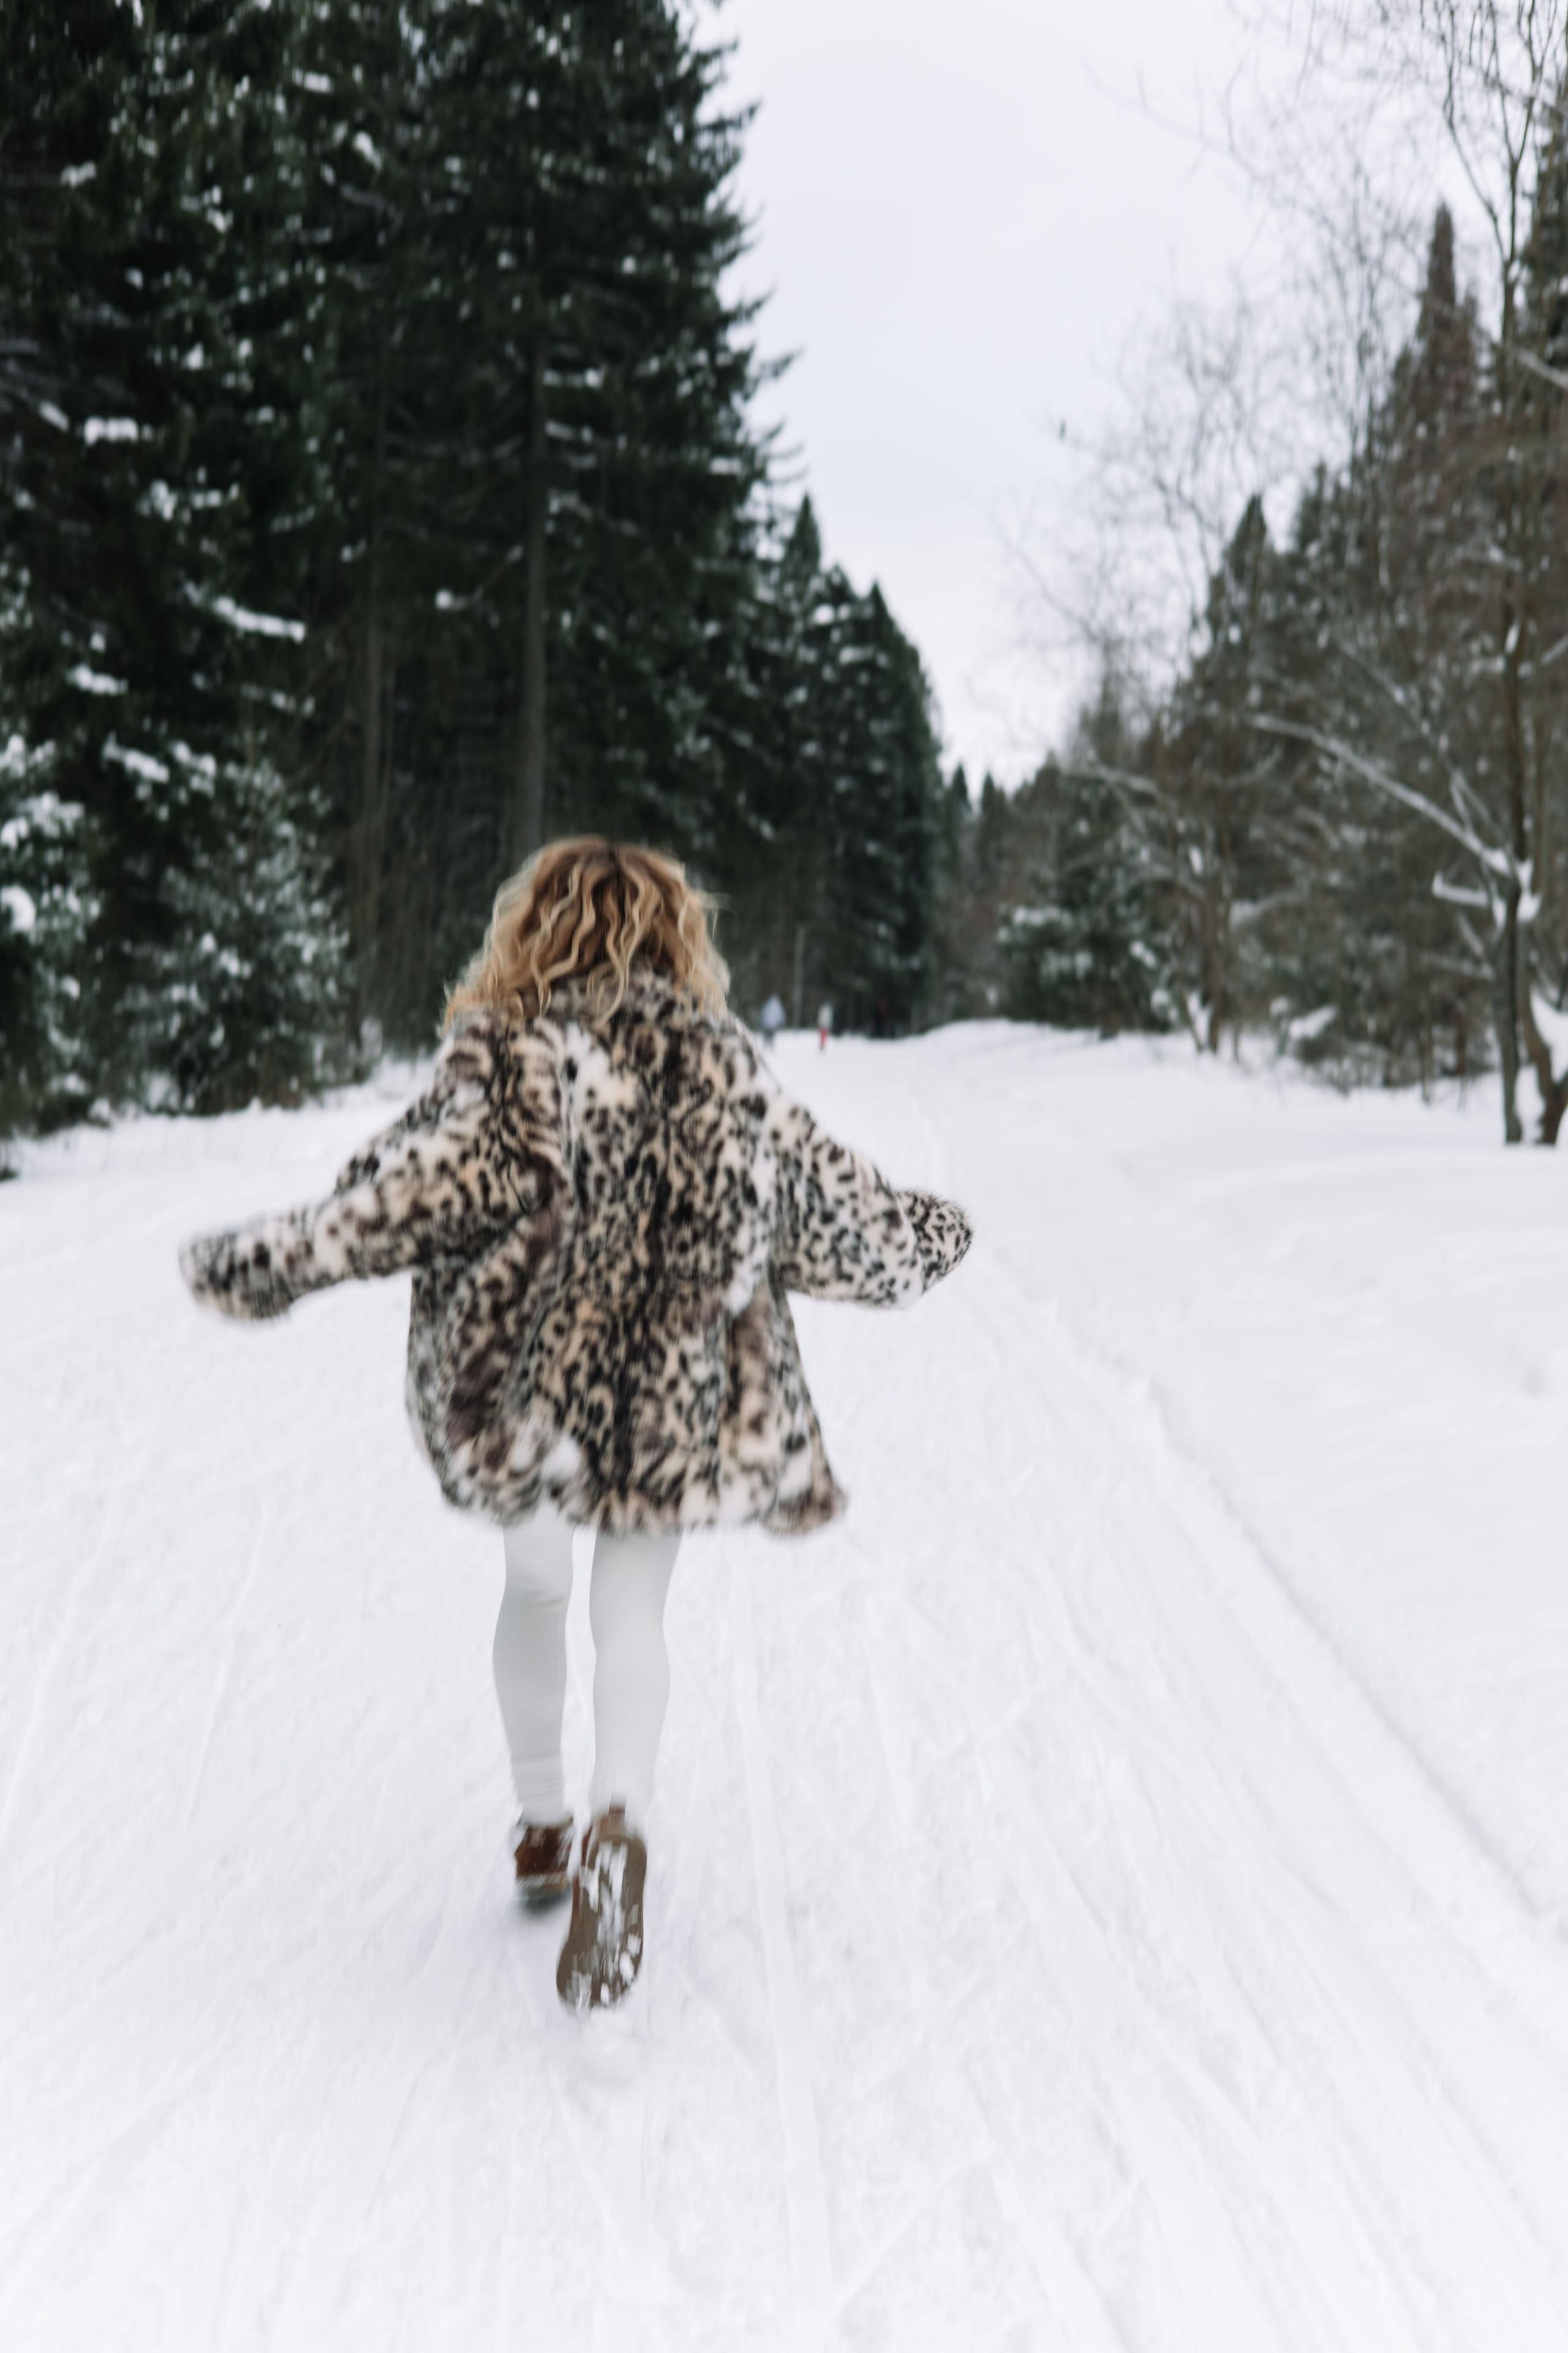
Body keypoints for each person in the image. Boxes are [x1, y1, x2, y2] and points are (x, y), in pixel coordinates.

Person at [179, 840, 972, 2014]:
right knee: (633, 1610)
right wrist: (933, 1229)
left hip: (527, 1397)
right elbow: (839, 1214)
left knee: (538, 1593)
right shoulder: (724, 1065)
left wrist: (268, 1262)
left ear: (531, 929)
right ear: (674, 934)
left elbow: (398, 1195)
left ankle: (544, 1824)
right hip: (670, 1397)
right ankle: (623, 1813)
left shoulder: (503, 1062)